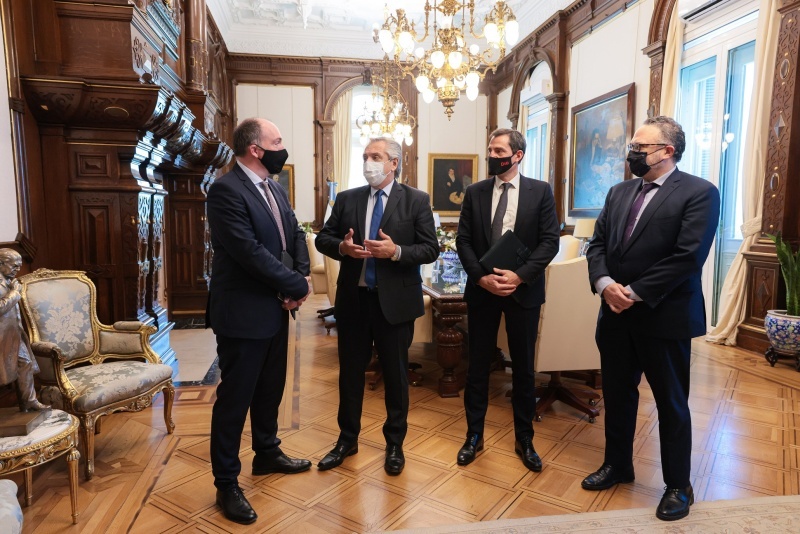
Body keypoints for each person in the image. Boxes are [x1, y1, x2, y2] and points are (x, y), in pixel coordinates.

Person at [582, 116, 720, 522]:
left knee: (671, 403)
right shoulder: (619, 191)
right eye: (633, 146)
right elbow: (598, 244)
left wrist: (635, 293)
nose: (632, 154)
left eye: (640, 148)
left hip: (664, 317)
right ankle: (618, 464)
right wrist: (605, 282)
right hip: (614, 315)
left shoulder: (699, 192)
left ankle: (679, 485)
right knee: (618, 395)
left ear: (666, 151)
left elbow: (687, 256)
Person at [206, 118, 312, 525]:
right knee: (235, 399)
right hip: (243, 311)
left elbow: (295, 235)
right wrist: (295, 285)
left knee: (271, 388)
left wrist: (299, 277)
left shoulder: (275, 187)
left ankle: (266, 452)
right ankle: (226, 483)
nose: (282, 147)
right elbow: (248, 252)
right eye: (277, 141)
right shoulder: (225, 190)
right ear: (255, 147)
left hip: (276, 308)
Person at [315, 137, 438, 476]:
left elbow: (430, 249)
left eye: (376, 157)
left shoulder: (416, 200)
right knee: (350, 374)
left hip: (395, 303)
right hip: (354, 302)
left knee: (396, 377)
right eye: (366, 156)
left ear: (394, 163)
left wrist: (395, 252)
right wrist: (342, 247)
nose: (368, 162)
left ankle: (395, 444)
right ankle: (346, 439)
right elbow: (322, 237)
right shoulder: (347, 198)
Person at [455, 128, 560, 471]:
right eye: (489, 148)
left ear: (517, 155)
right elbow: (464, 241)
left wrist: (520, 275)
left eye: (498, 149)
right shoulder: (475, 191)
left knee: (524, 370)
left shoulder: (541, 191)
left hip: (522, 293)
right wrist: (481, 278)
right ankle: (473, 436)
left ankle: (525, 439)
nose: (491, 154)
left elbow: (549, 242)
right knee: (477, 367)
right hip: (482, 291)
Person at [0, 248, 49, 412]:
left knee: (25, 363)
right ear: (1, 263)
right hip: (1, 337)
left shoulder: (9, 281)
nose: (17, 270)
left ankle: (29, 401)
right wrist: (14, 293)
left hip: (13, 334)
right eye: (14, 266)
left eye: (19, 266)